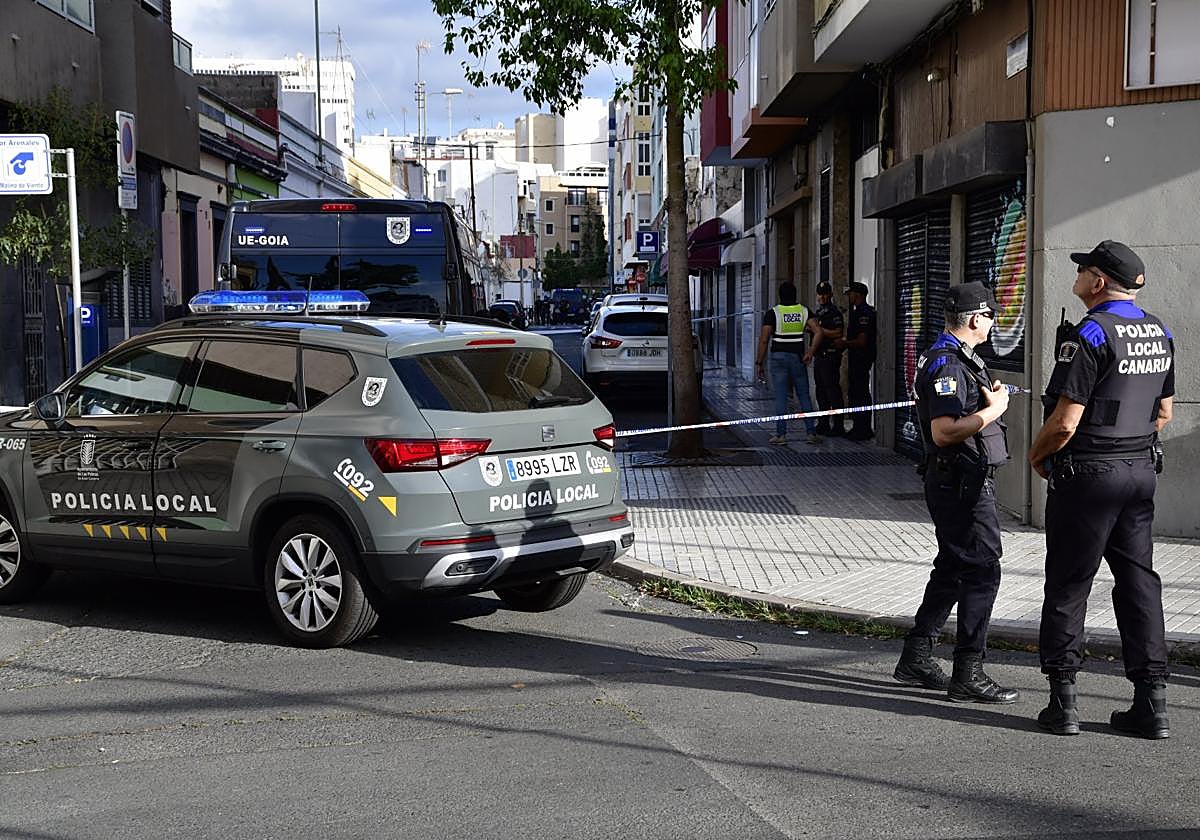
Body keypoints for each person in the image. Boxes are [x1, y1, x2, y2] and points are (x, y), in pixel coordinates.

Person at [1027, 240, 1174, 739]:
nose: (1079, 277)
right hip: (1138, 471)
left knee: (1070, 581)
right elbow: (1164, 411)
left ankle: (1063, 701)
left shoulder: (1090, 333)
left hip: (1088, 474)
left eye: (1083, 270)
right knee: (1139, 582)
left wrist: (1037, 454)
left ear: (1097, 282)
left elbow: (1066, 422)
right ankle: (1151, 703)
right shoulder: (1159, 331)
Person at [893, 281, 1018, 704]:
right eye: (990, 315)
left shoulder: (958, 358)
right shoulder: (948, 364)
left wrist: (990, 401)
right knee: (983, 570)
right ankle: (969, 670)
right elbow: (944, 431)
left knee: (951, 567)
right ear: (975, 319)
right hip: (958, 480)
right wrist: (992, 411)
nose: (994, 322)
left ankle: (917, 654)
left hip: (956, 478)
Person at [755, 282, 820, 445]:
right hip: (798, 358)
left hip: (778, 358)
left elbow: (764, 340)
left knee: (781, 397)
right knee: (804, 395)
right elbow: (819, 331)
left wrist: (759, 362)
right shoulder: (804, 311)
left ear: (780, 295)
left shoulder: (773, 313)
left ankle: (781, 435)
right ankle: (811, 433)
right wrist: (810, 352)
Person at [804, 281, 845, 437]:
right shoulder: (818, 313)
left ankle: (838, 425)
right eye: (820, 294)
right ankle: (823, 422)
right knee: (821, 391)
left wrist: (820, 331)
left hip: (830, 355)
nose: (822, 297)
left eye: (825, 294)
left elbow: (838, 333)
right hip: (820, 356)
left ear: (831, 295)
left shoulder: (834, 313)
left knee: (832, 390)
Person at [837, 281, 877, 440]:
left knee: (860, 392)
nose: (849, 296)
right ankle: (858, 427)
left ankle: (863, 428)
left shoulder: (864, 314)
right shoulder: (858, 312)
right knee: (855, 392)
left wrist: (844, 343)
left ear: (858, 295)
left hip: (861, 358)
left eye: (851, 293)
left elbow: (862, 341)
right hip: (857, 358)